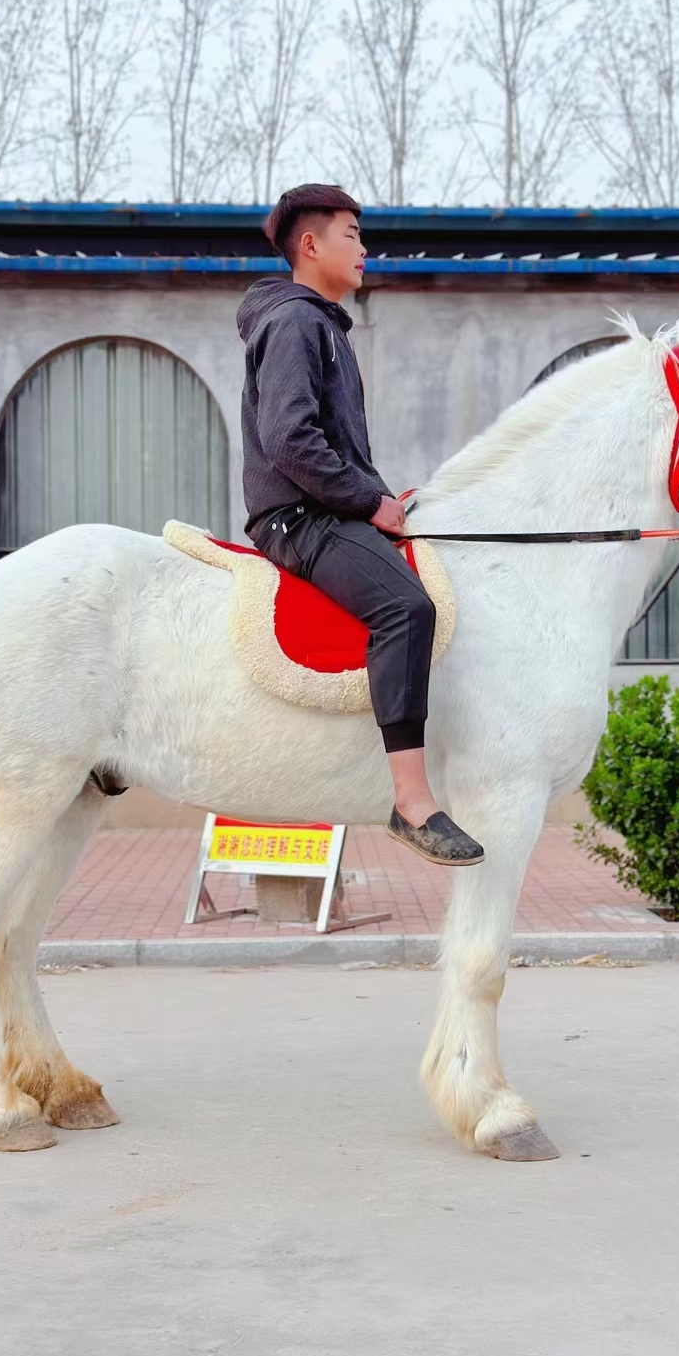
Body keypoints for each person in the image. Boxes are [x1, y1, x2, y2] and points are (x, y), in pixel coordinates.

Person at [236, 183, 484, 867]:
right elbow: (291, 440)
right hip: (299, 519)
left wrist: (380, 497)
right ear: (309, 245)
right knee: (408, 607)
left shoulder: (319, 325)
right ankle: (412, 803)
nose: (364, 248)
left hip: (324, 507)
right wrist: (369, 501)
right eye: (352, 234)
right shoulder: (295, 323)